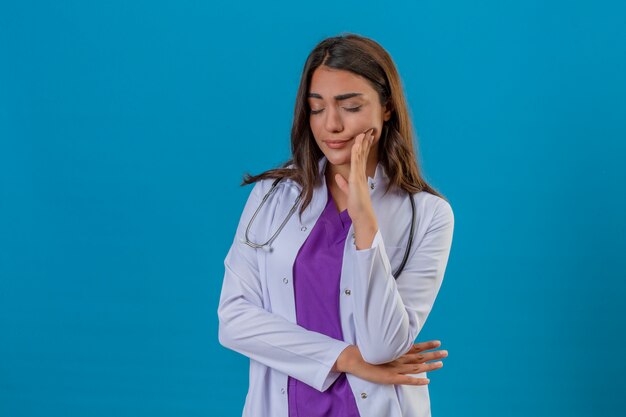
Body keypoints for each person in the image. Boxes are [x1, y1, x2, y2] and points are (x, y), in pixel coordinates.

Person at [217, 33, 455, 417]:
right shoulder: (271, 197)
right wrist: (344, 358)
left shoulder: (428, 216)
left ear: (388, 107)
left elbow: (381, 346)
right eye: (316, 107)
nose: (332, 124)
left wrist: (364, 221)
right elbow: (233, 320)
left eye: (350, 106)